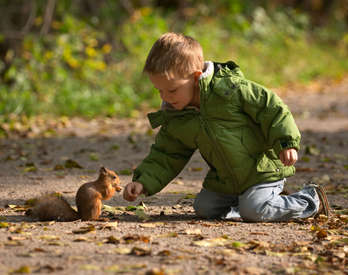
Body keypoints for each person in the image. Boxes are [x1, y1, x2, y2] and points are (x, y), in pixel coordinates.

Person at [123, 32, 329, 221]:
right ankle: (249, 203)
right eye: (160, 91)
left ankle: (311, 199)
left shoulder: (229, 90)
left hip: (262, 172)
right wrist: (143, 182)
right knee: (204, 208)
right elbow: (166, 154)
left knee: (254, 210)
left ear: (195, 77)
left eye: (172, 90)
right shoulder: (177, 116)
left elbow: (272, 108)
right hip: (226, 181)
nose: (166, 98)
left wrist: (286, 142)